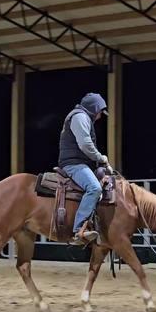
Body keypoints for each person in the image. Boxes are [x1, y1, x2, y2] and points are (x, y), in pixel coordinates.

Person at [58, 92, 112, 245]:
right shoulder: (80, 117)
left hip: (81, 162)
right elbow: (85, 144)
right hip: (73, 164)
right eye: (100, 112)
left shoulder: (83, 117)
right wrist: (101, 158)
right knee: (94, 188)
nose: (100, 116)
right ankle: (78, 230)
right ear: (95, 109)